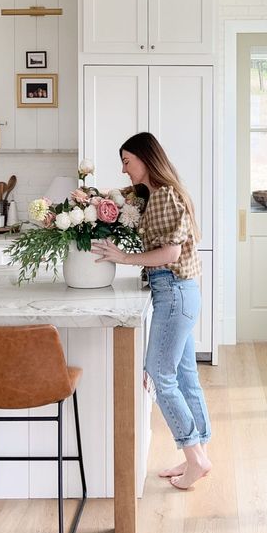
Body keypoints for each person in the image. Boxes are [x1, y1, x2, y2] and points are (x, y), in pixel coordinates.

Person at [91, 132, 212, 490]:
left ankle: (195, 458)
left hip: (173, 293)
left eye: (128, 161)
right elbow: (118, 199)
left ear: (146, 159)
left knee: (160, 375)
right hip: (183, 294)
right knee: (186, 376)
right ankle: (198, 453)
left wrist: (124, 258)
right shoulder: (162, 195)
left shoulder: (163, 197)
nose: (124, 169)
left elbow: (171, 255)